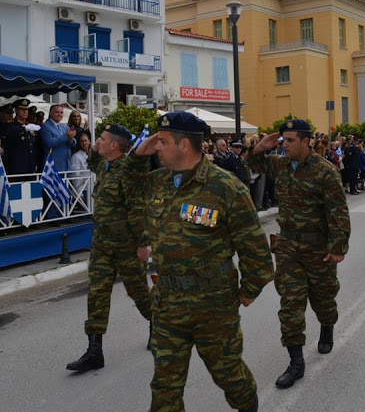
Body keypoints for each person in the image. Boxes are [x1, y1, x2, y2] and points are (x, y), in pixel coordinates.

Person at [130, 112, 273, 412]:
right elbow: (119, 189)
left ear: (184, 145)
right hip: (168, 303)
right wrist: (134, 158)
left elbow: (255, 249)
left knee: (229, 376)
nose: (156, 146)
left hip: (214, 307)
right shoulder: (157, 182)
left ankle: (248, 404)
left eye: (163, 141)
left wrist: (248, 290)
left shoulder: (225, 187)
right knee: (165, 388)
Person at [247, 119, 351, 389]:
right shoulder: (280, 164)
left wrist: (338, 247)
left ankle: (327, 325)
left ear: (306, 142)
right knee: (290, 305)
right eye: (283, 141)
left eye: (290, 141)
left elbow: (338, 212)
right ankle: (296, 362)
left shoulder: (325, 172)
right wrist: (260, 146)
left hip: (318, 249)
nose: (284, 146)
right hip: (288, 247)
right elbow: (254, 164)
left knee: (323, 299)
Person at [66, 123, 152, 372]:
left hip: (127, 245)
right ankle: (94, 351)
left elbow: (138, 209)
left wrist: (143, 244)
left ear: (114, 145)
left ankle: (157, 324)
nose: (98, 141)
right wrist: (95, 147)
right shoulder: (104, 165)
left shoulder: (129, 171)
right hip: (103, 244)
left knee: (139, 293)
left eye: (102, 139)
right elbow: (93, 160)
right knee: (97, 294)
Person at [4, 98, 40, 176]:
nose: (25, 112)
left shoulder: (29, 125)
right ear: (16, 110)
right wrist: (24, 128)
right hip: (17, 167)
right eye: (22, 109)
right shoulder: (11, 124)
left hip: (30, 166)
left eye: (26, 110)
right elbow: (11, 132)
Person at [40, 104, 76, 172]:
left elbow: (73, 143)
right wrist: (66, 136)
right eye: (57, 112)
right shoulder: (45, 126)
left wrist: (71, 138)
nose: (59, 114)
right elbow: (50, 142)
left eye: (61, 112)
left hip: (66, 166)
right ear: (50, 113)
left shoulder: (63, 126)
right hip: (53, 167)